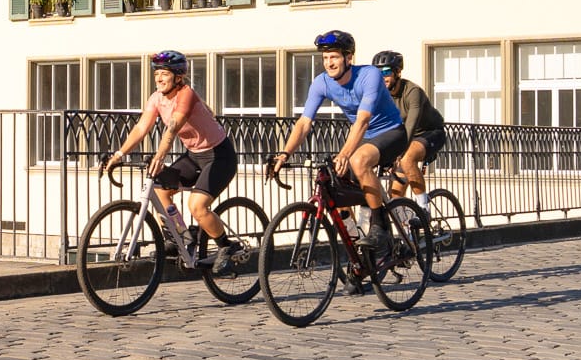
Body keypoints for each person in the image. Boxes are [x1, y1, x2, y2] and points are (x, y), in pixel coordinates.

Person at [265, 30, 407, 249]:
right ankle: (355, 245)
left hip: (390, 132)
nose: (329, 63)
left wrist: (344, 154)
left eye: (334, 57)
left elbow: (362, 121)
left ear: (349, 58)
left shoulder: (370, 75)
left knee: (358, 161)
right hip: (364, 137)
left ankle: (381, 228)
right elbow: (304, 123)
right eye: (325, 58)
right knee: (330, 178)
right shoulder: (321, 83)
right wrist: (284, 153)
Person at [100, 50, 241, 266]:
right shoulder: (157, 98)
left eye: (164, 74)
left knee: (197, 205)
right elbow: (141, 128)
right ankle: (183, 237)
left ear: (178, 77)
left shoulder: (186, 94)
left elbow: (173, 127)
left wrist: (160, 155)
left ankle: (226, 246)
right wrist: (119, 154)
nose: (158, 78)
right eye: (156, 74)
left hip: (219, 156)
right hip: (194, 156)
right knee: (160, 190)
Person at [372, 50, 446, 211]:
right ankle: (408, 229)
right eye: (377, 73)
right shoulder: (381, 97)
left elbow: (411, 124)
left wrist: (397, 151)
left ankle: (423, 207)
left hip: (430, 132)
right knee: (396, 193)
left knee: (406, 159)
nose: (382, 77)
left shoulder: (412, 92)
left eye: (386, 72)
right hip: (406, 137)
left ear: (398, 72)